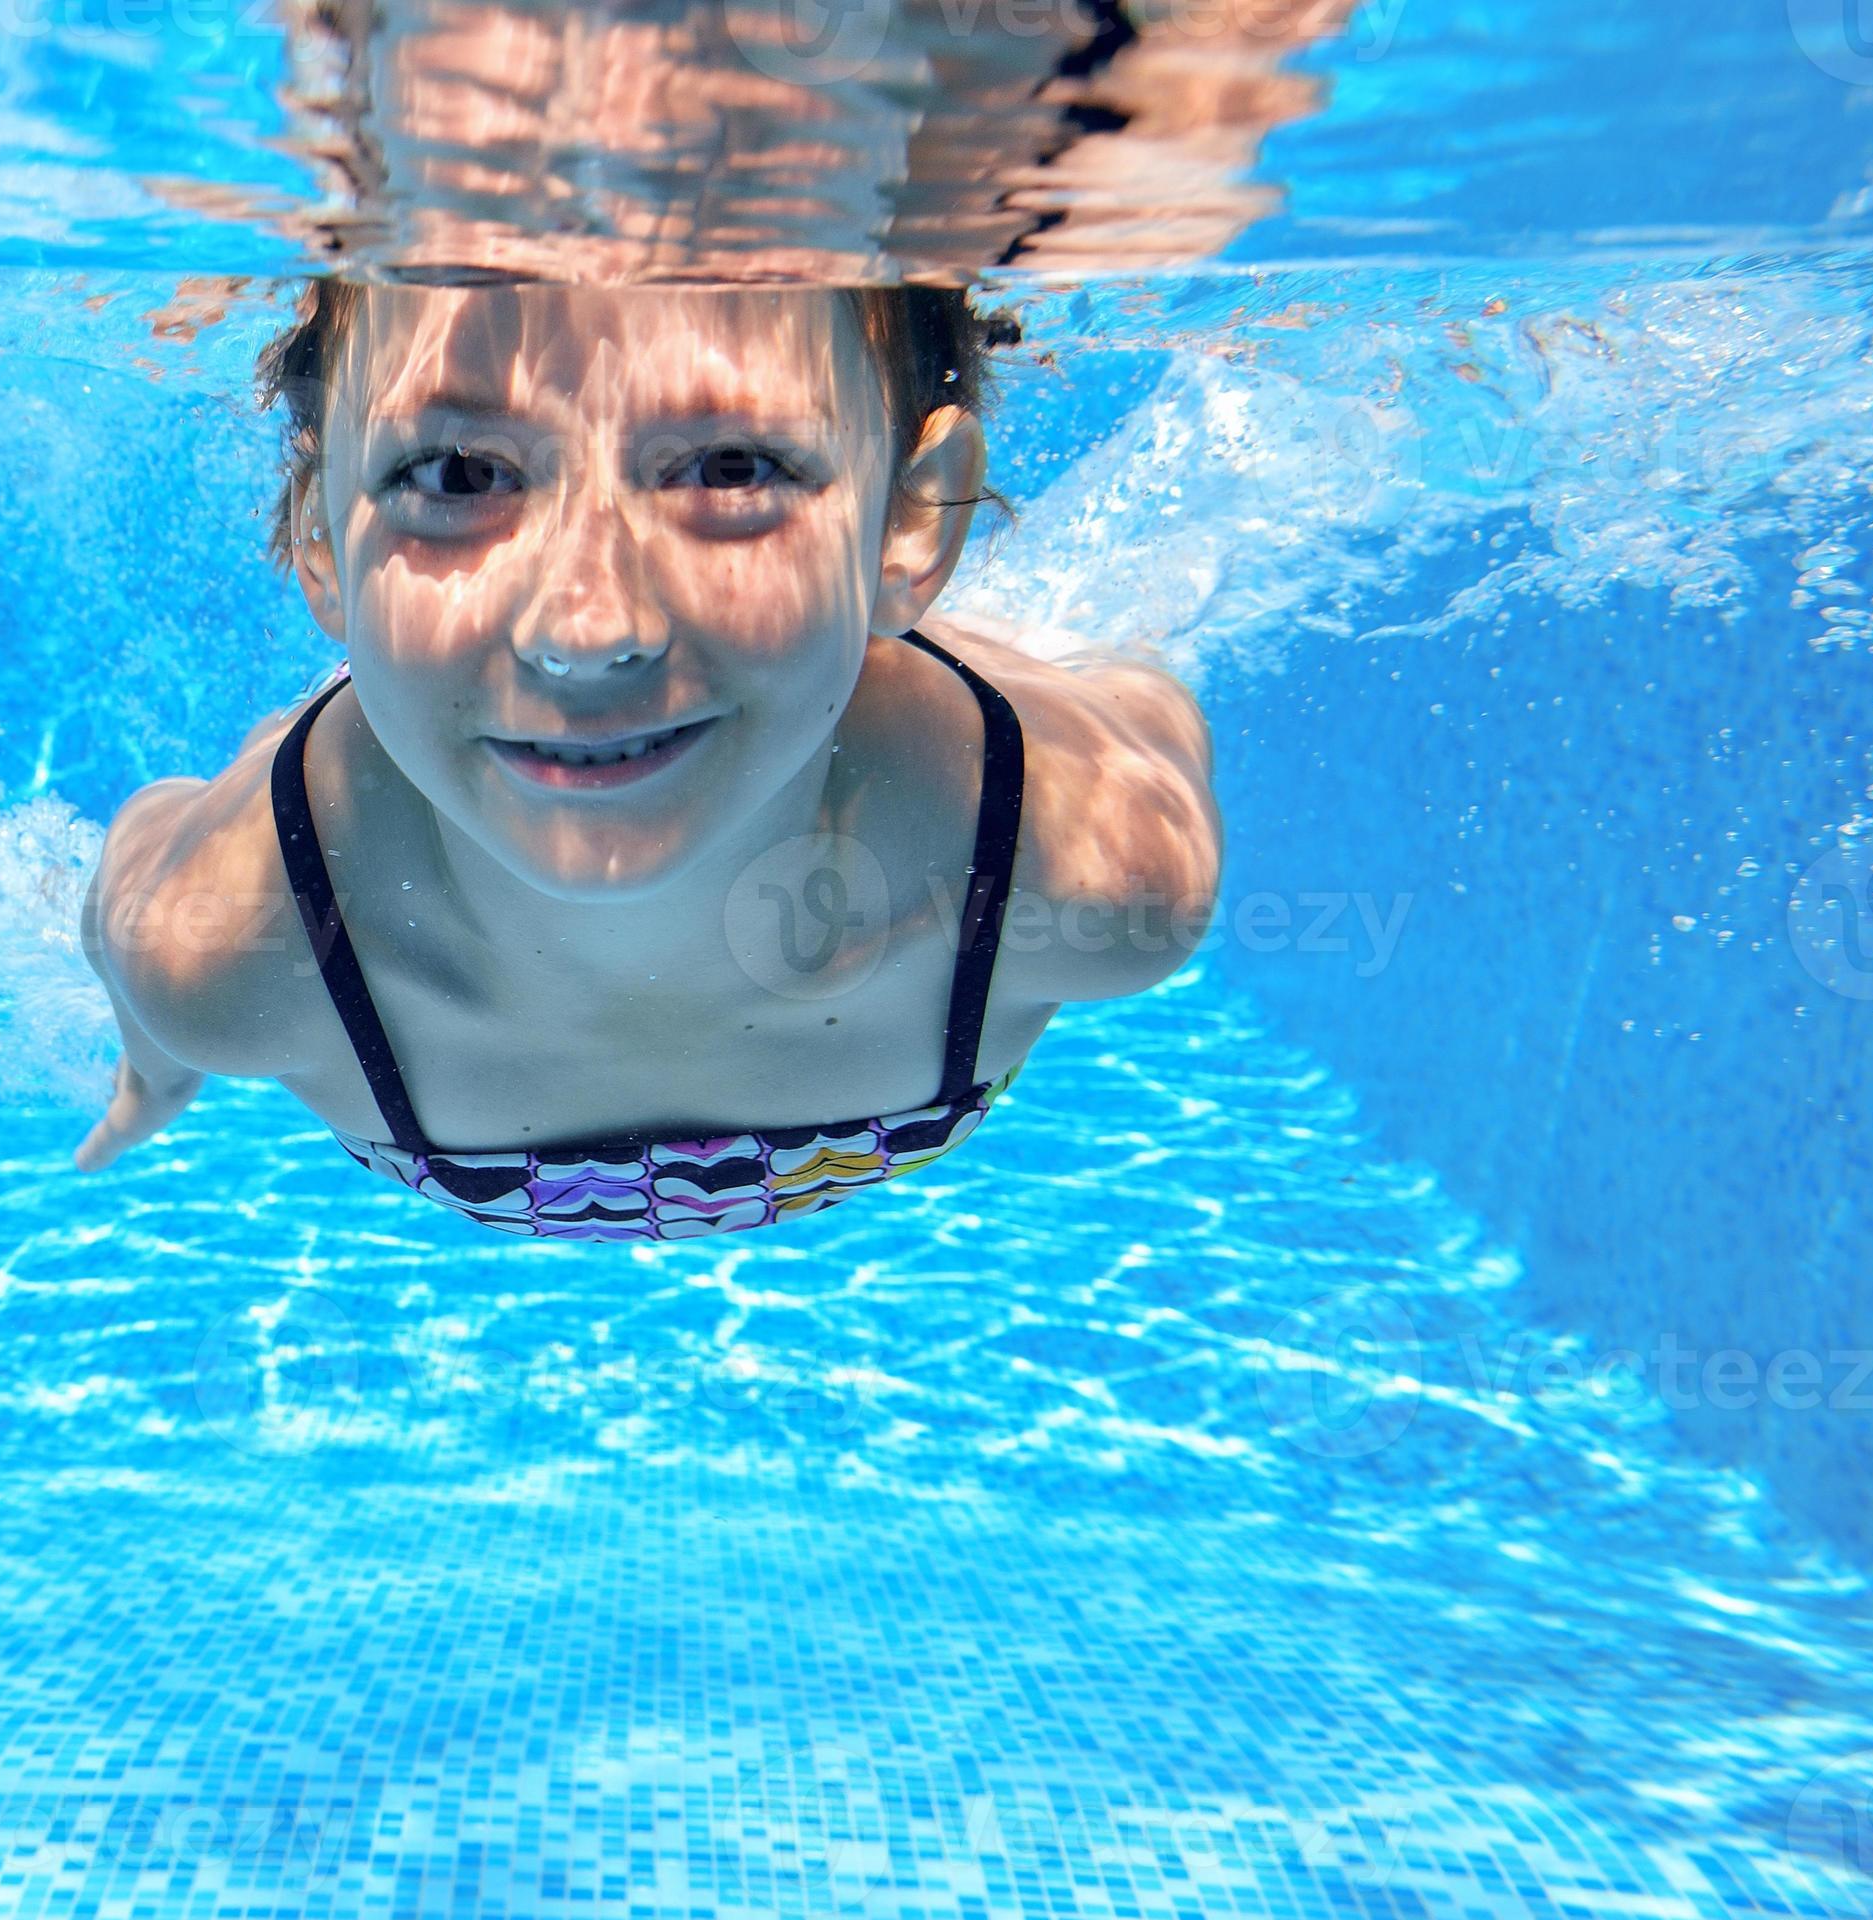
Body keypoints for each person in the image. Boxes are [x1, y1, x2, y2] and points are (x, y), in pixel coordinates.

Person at [73, 279, 1219, 1241]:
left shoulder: (1088, 864)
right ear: (322, 533)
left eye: (730, 467)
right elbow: (137, 931)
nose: (587, 628)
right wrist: (151, 1078)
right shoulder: (222, 943)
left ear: (909, 527)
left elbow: (1145, 703)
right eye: (458, 475)